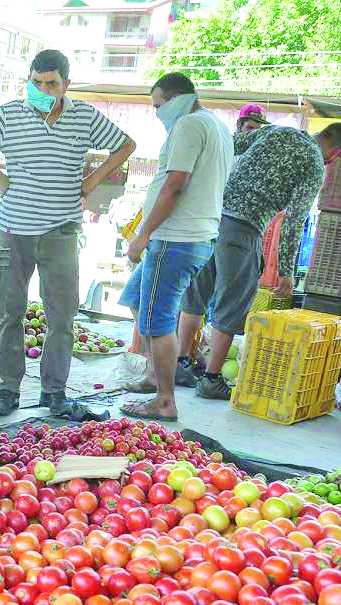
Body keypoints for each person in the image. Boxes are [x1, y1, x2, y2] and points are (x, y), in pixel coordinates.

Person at [0, 49, 135, 418]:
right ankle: (8, 389)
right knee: (10, 312)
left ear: (66, 84)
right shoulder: (9, 114)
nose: (43, 89)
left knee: (62, 316)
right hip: (14, 229)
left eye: (51, 83)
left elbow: (126, 144)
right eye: (36, 82)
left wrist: (92, 180)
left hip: (61, 229)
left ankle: (54, 391)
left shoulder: (84, 117)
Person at [176, 122, 341, 399]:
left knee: (195, 294)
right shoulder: (314, 164)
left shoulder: (277, 130)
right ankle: (211, 379)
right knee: (233, 303)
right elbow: (294, 220)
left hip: (210, 218)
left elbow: (229, 144)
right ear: (336, 153)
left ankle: (180, 364)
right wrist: (286, 271)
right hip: (243, 229)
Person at [117, 73, 232, 421]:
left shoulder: (189, 125)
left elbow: (175, 186)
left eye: (158, 106)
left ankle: (165, 400)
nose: (157, 113)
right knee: (137, 299)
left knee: (158, 320)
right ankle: (154, 376)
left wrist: (143, 235)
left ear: (176, 99)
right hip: (189, 238)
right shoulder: (216, 126)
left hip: (175, 239)